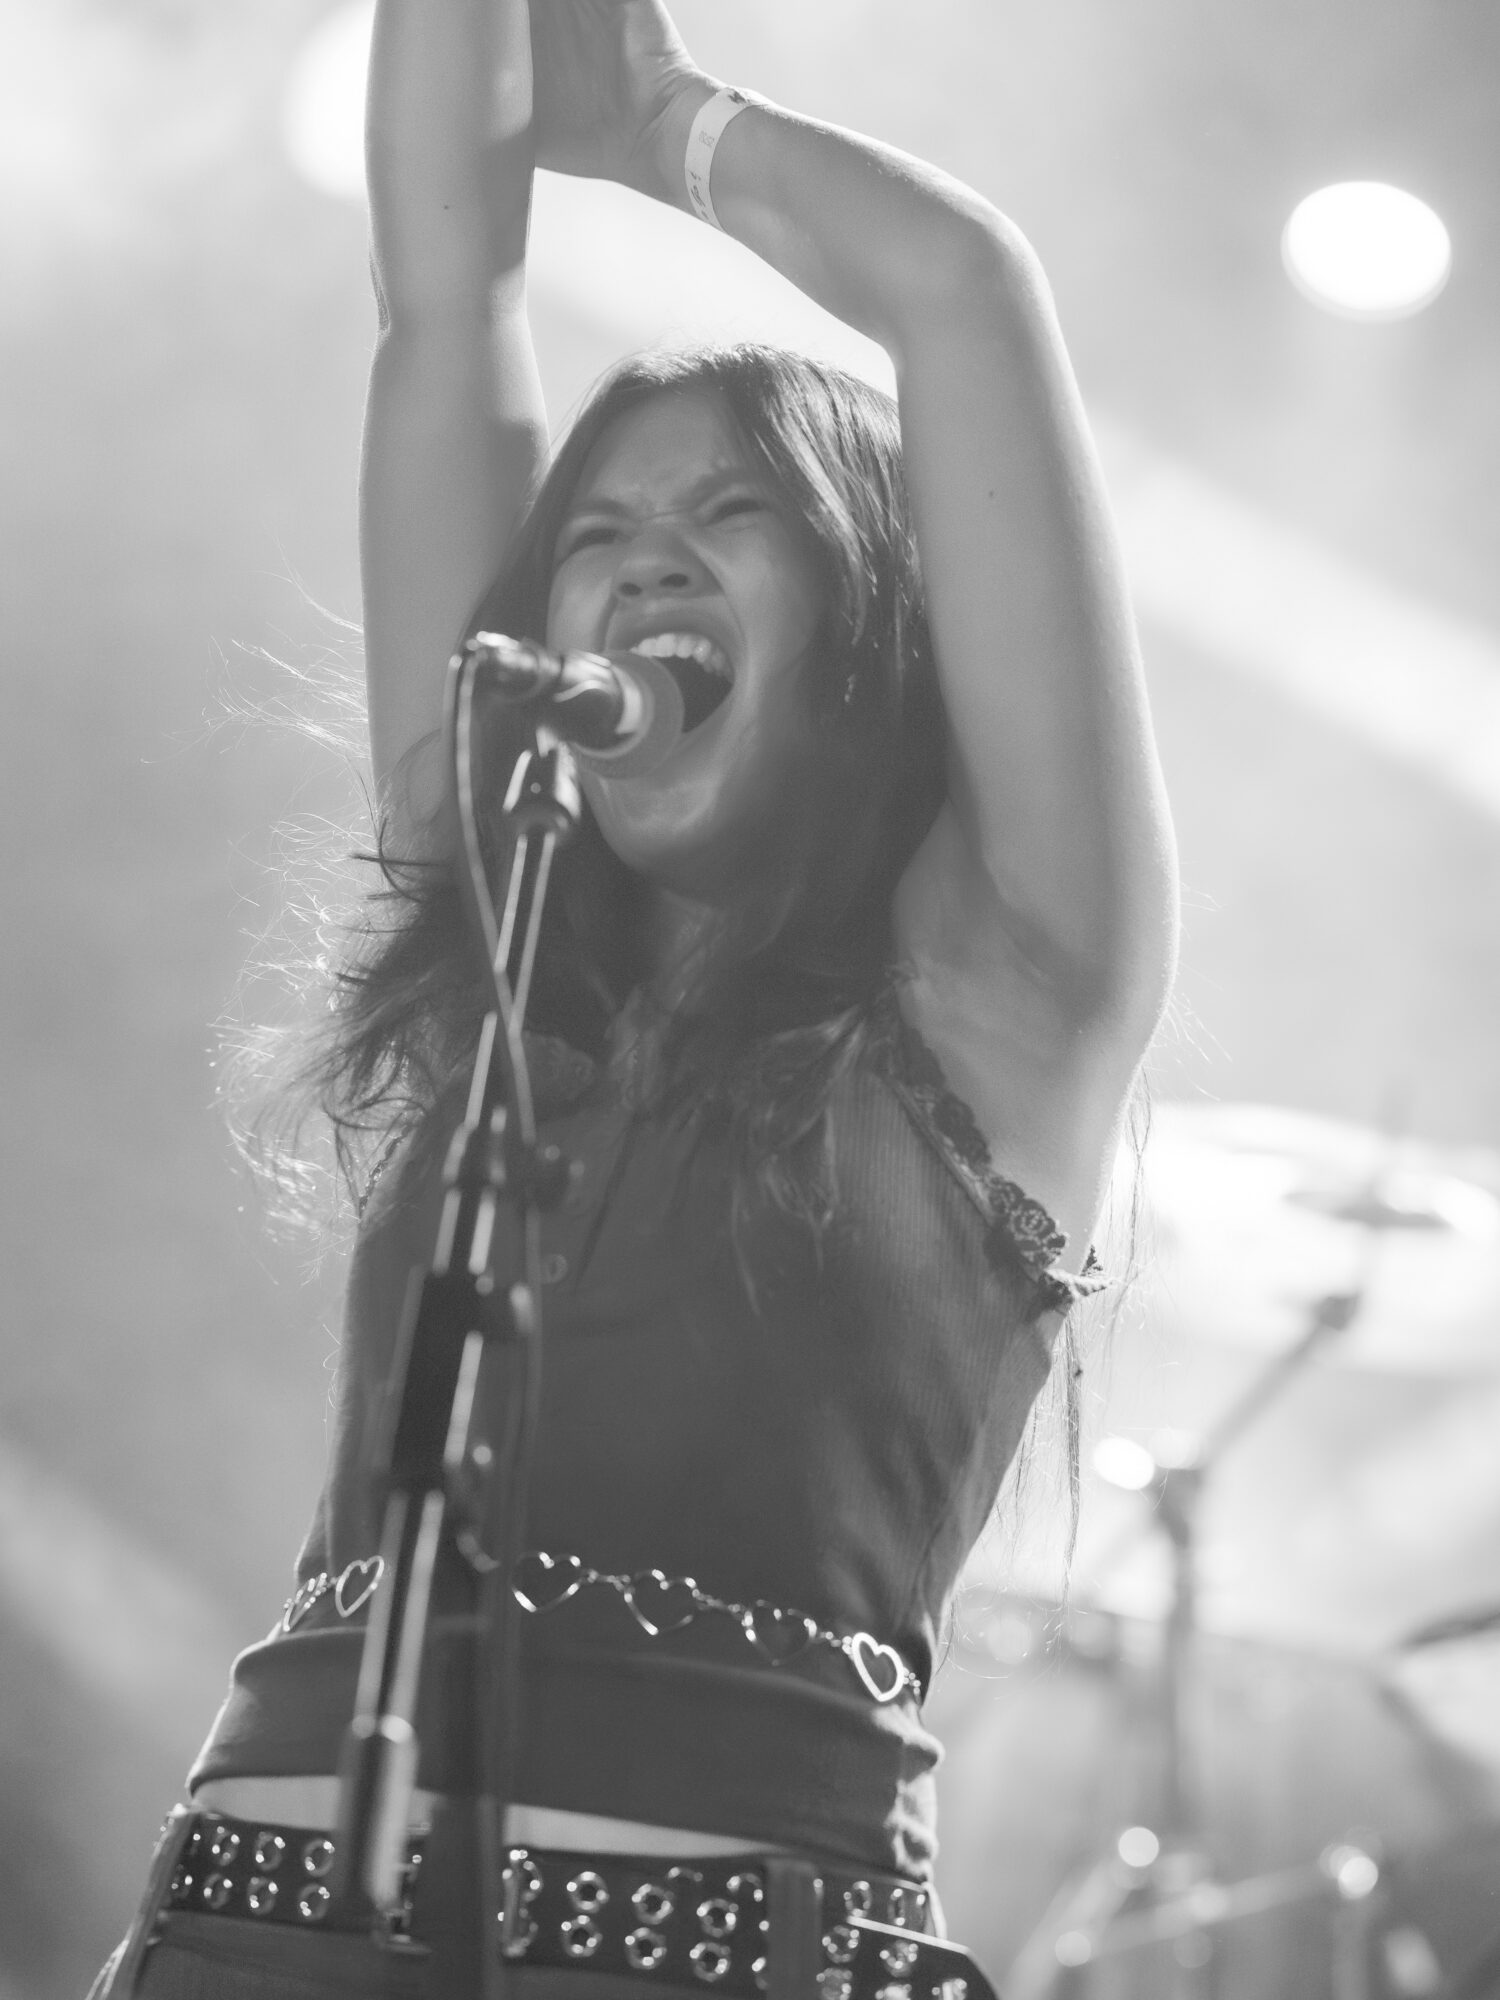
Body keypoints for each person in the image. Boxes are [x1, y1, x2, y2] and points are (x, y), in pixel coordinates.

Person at [95, 0, 1177, 1993]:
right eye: (596, 539)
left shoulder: (1007, 987)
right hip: (254, 1926)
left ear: (876, 626)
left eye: (730, 519)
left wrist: (670, 126)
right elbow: (445, 313)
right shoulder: (505, 947)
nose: (641, 569)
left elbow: (960, 292)